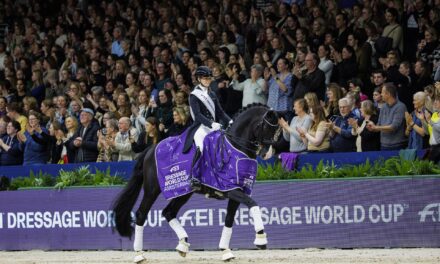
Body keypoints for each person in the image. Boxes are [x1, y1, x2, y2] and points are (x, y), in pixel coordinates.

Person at [183, 66, 232, 154]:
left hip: (214, 126)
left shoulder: (212, 94)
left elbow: (220, 112)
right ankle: (195, 166)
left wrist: (230, 121)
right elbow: (197, 115)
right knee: (200, 148)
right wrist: (211, 124)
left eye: (209, 79)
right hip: (200, 127)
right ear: (199, 79)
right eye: (205, 79)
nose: (208, 81)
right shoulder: (194, 95)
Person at [366, 83, 408, 150]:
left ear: (388, 94)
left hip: (397, 145)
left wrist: (376, 127)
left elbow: (394, 127)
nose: (381, 94)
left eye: (382, 92)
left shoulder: (400, 107)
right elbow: (379, 124)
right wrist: (373, 127)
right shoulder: (383, 107)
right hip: (383, 145)